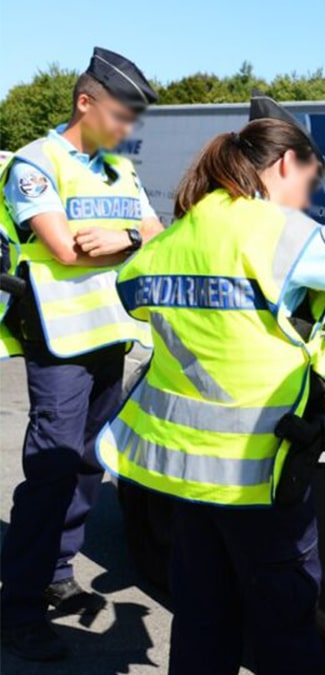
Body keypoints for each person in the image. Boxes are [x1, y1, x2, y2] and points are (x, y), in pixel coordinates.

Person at [95, 95, 325, 675]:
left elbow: (131, 292)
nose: (308, 198)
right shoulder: (283, 233)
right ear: (285, 164)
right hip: (260, 474)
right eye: (309, 180)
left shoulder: (179, 236)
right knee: (285, 627)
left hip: (187, 476)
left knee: (201, 620)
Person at [0, 47, 164, 662]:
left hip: (109, 334)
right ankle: (17, 608)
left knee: (90, 462)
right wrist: (122, 243)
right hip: (60, 339)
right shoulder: (33, 164)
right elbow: (64, 249)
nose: (127, 130)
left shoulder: (119, 168)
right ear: (86, 102)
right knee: (51, 469)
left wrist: (121, 238)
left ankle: (57, 570)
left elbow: (154, 234)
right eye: (121, 116)